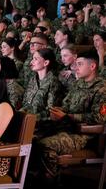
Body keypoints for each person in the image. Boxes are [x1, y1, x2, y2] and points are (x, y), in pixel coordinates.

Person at [34, 50, 106, 181]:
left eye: (79, 64)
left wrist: (70, 117)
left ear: (92, 66)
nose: (75, 67)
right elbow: (66, 105)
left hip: (84, 134)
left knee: (44, 145)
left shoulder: (102, 88)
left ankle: (50, 179)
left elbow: (99, 118)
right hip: (65, 126)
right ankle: (39, 176)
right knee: (32, 138)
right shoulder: (78, 84)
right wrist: (57, 111)